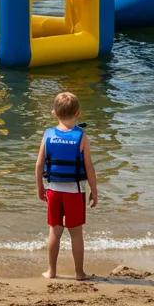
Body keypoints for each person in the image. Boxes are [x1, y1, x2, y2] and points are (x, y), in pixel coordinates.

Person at [34, 91, 98, 281]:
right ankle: (79, 272)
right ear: (78, 113)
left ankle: (51, 271)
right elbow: (89, 167)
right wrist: (94, 191)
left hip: (53, 190)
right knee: (76, 234)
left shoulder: (48, 135)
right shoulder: (81, 137)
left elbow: (39, 165)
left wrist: (40, 187)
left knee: (55, 231)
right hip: (75, 192)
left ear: (54, 113)